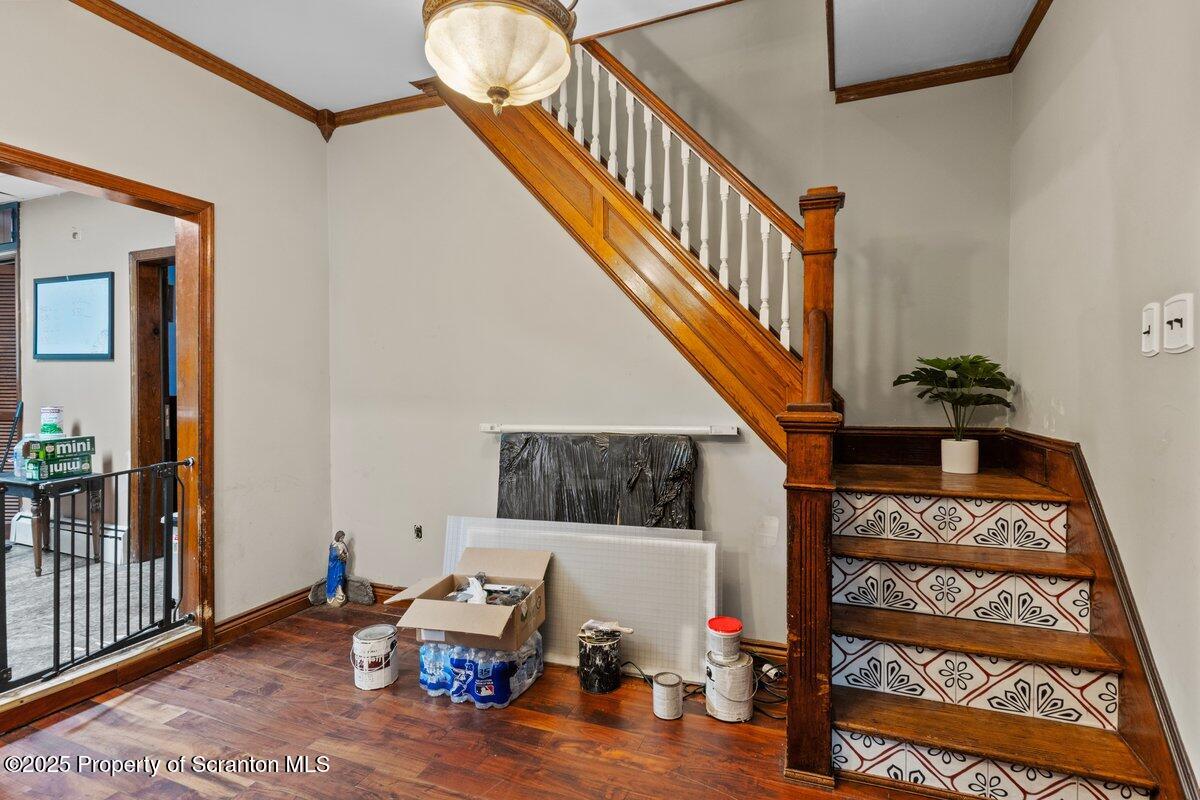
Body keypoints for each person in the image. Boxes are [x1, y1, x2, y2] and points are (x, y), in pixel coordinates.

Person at [326, 530, 348, 607]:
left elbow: (346, 553)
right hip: (334, 567)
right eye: (341, 538)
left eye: (343, 538)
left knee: (340, 578)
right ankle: (333, 594)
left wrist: (344, 556)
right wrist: (338, 555)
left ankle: (340, 591)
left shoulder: (343, 544)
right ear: (337, 537)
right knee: (334, 578)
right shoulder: (333, 544)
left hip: (340, 565)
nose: (342, 539)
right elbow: (332, 556)